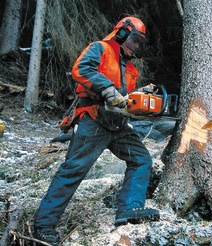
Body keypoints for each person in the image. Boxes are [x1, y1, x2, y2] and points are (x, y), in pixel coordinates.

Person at [33, 16, 160, 245]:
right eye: (135, 40)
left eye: (141, 42)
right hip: (94, 119)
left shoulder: (131, 69)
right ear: (122, 33)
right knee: (73, 170)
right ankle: (44, 224)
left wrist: (136, 104)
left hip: (118, 124)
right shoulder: (100, 49)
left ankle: (129, 208)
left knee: (141, 159)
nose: (137, 46)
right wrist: (108, 90)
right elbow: (80, 69)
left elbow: (124, 98)